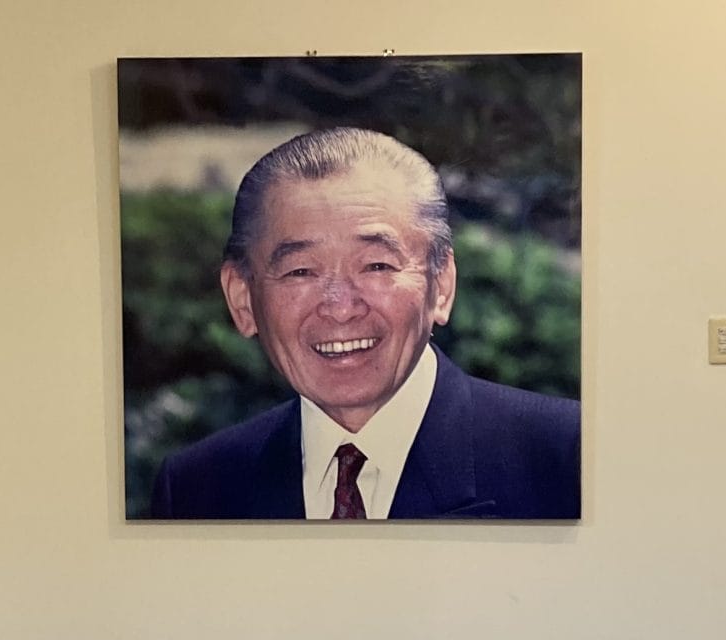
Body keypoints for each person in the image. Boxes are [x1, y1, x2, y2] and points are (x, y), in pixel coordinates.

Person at [150, 127, 579, 520]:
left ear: (441, 285)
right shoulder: (196, 489)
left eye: (376, 265)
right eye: (301, 271)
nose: (340, 307)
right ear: (242, 299)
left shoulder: (568, 457)